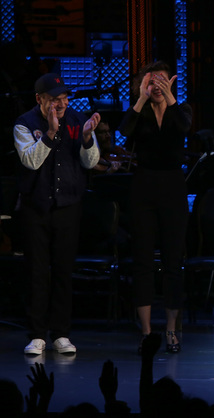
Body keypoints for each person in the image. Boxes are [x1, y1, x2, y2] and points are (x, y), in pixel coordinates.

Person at [14, 72, 100, 355]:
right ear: (40, 99)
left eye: (63, 98)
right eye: (54, 99)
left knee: (63, 270)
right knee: (38, 271)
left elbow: (91, 162)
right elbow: (31, 161)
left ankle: (61, 333)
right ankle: (37, 334)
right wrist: (50, 132)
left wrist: (87, 138)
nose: (60, 104)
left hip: (67, 207)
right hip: (35, 208)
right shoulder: (24, 124)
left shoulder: (77, 121)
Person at [118, 61, 192, 354]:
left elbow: (184, 128)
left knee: (174, 261)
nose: (158, 86)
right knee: (143, 261)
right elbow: (126, 131)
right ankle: (147, 331)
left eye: (163, 81)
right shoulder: (140, 112)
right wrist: (141, 97)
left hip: (173, 187)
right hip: (144, 187)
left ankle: (172, 329)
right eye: (153, 81)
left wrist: (170, 97)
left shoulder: (180, 110)